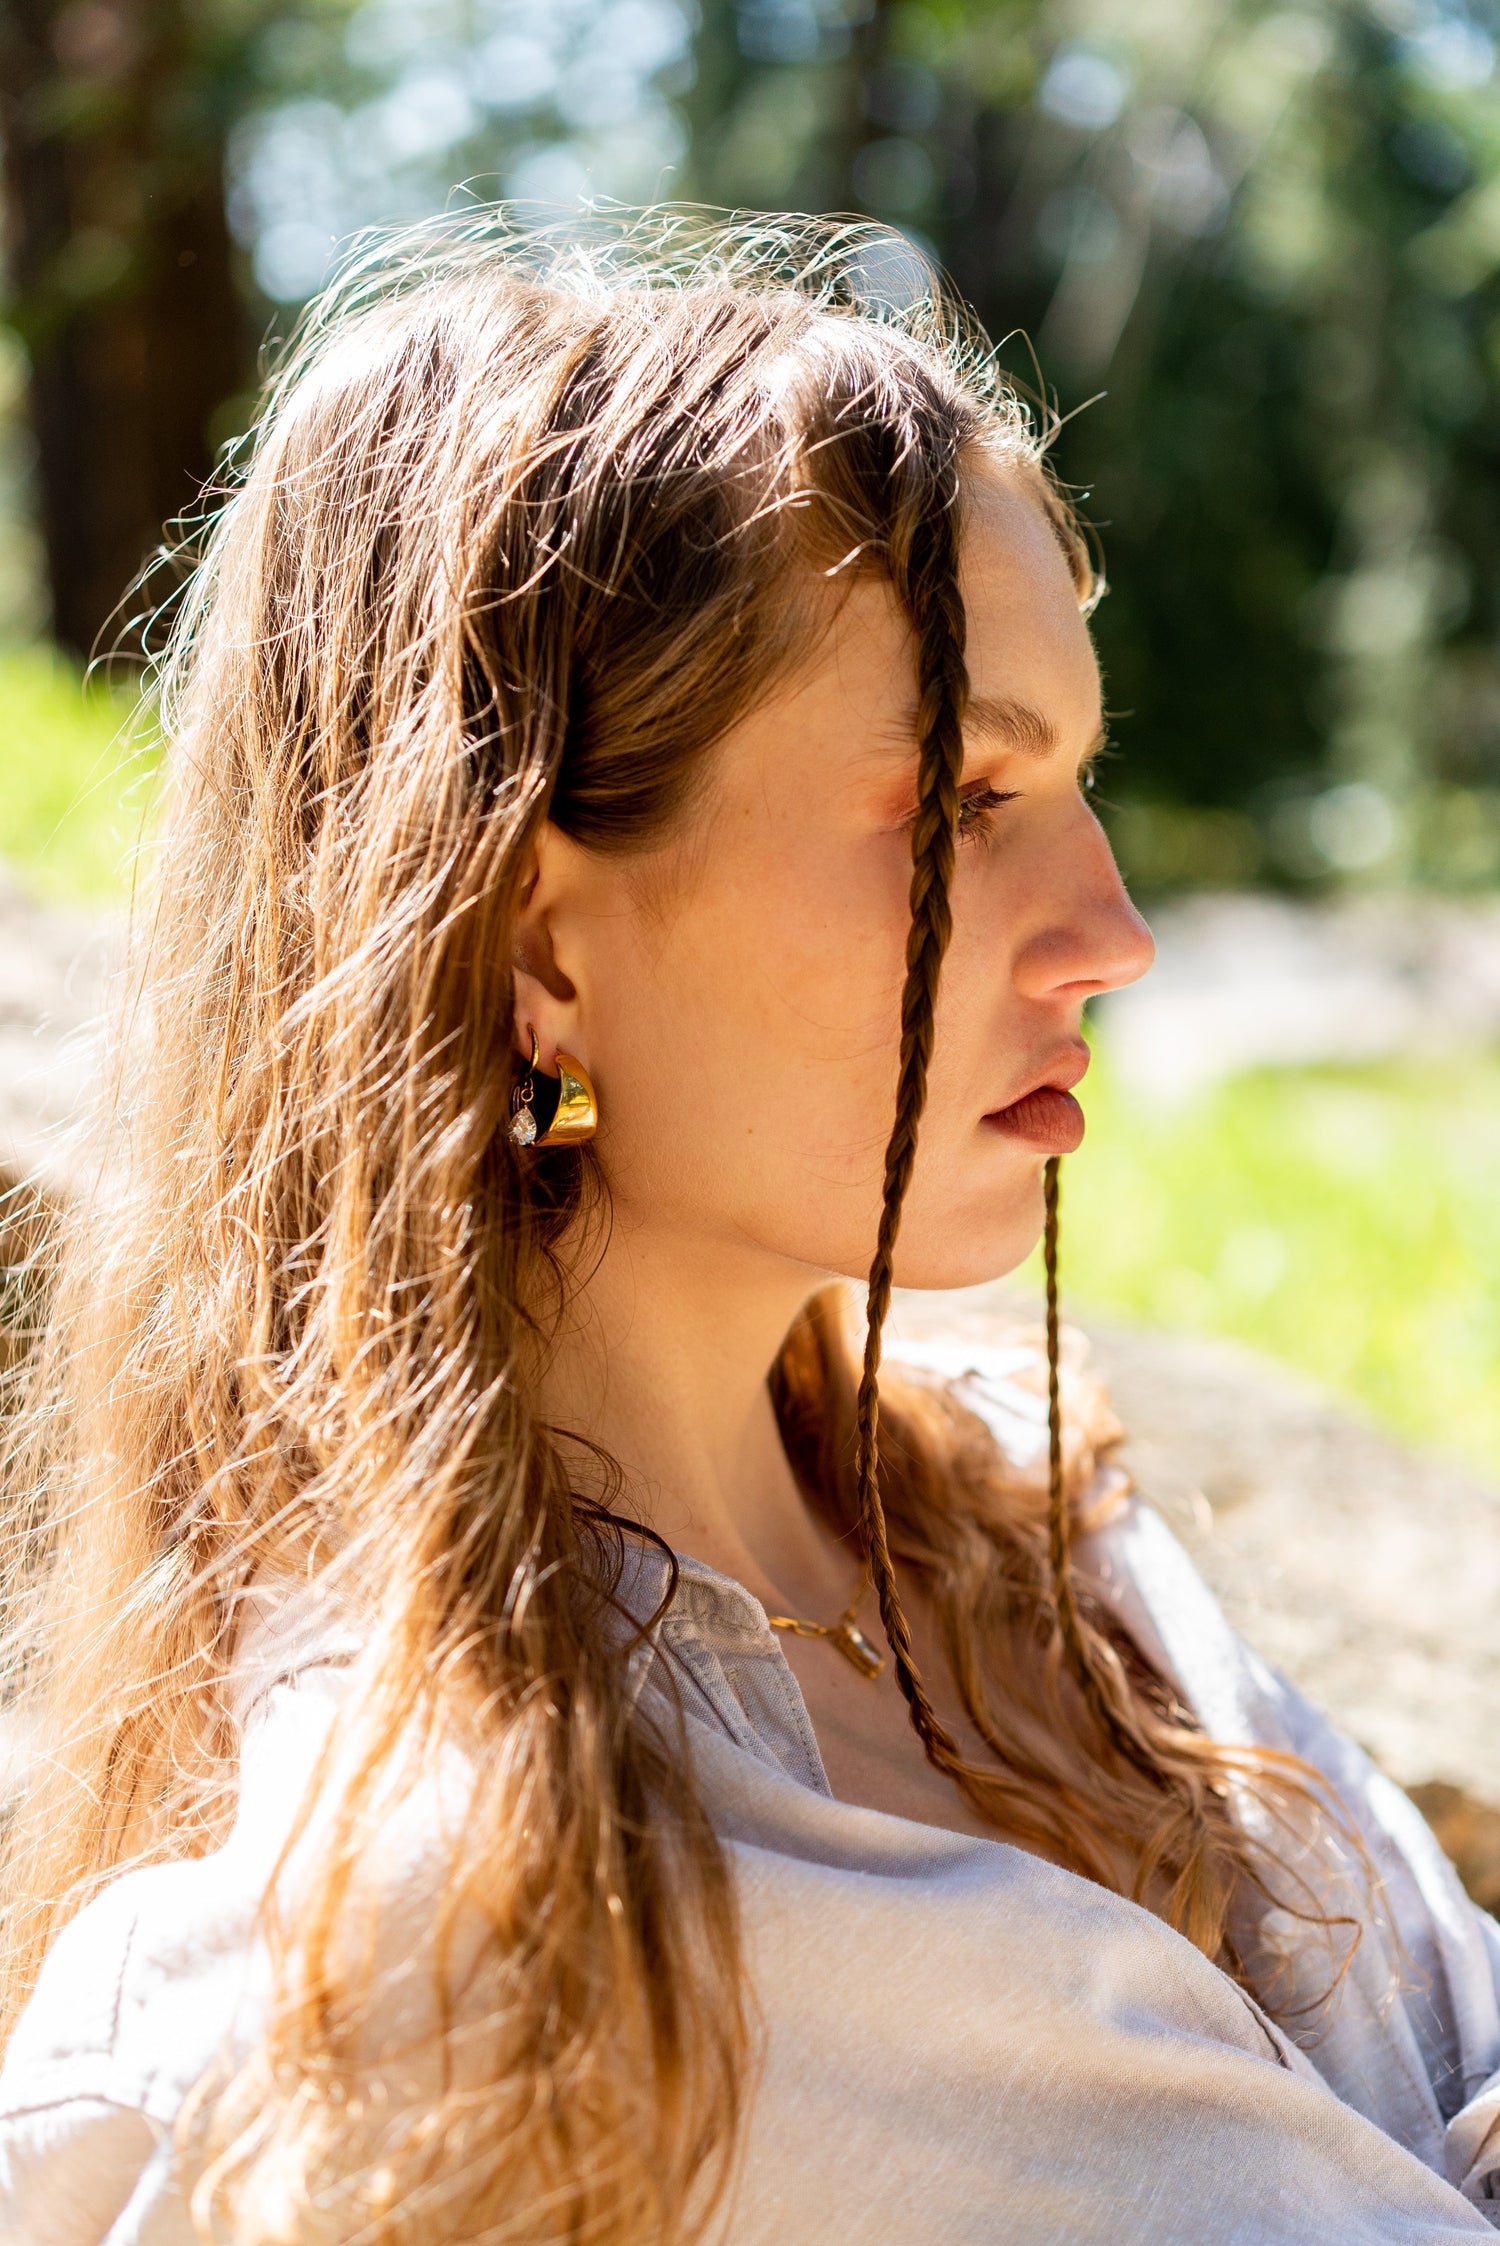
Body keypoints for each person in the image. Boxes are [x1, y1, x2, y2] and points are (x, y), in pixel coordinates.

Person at [0, 212, 1495, 2246]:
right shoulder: (390, 1978)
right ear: (536, 941)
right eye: (963, 800)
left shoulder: (1060, 1550)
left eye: (1082, 785)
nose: (1114, 933)